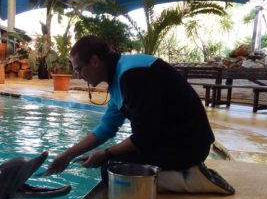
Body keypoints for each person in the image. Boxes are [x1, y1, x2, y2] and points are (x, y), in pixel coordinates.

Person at [45, 35, 216, 182]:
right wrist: (67, 155)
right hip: (172, 141)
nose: (78, 76)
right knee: (112, 166)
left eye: (79, 69)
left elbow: (144, 137)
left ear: (95, 61)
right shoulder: (119, 77)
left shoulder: (133, 76)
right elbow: (106, 128)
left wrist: (106, 153)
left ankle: (190, 179)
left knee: (111, 171)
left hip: (189, 146)